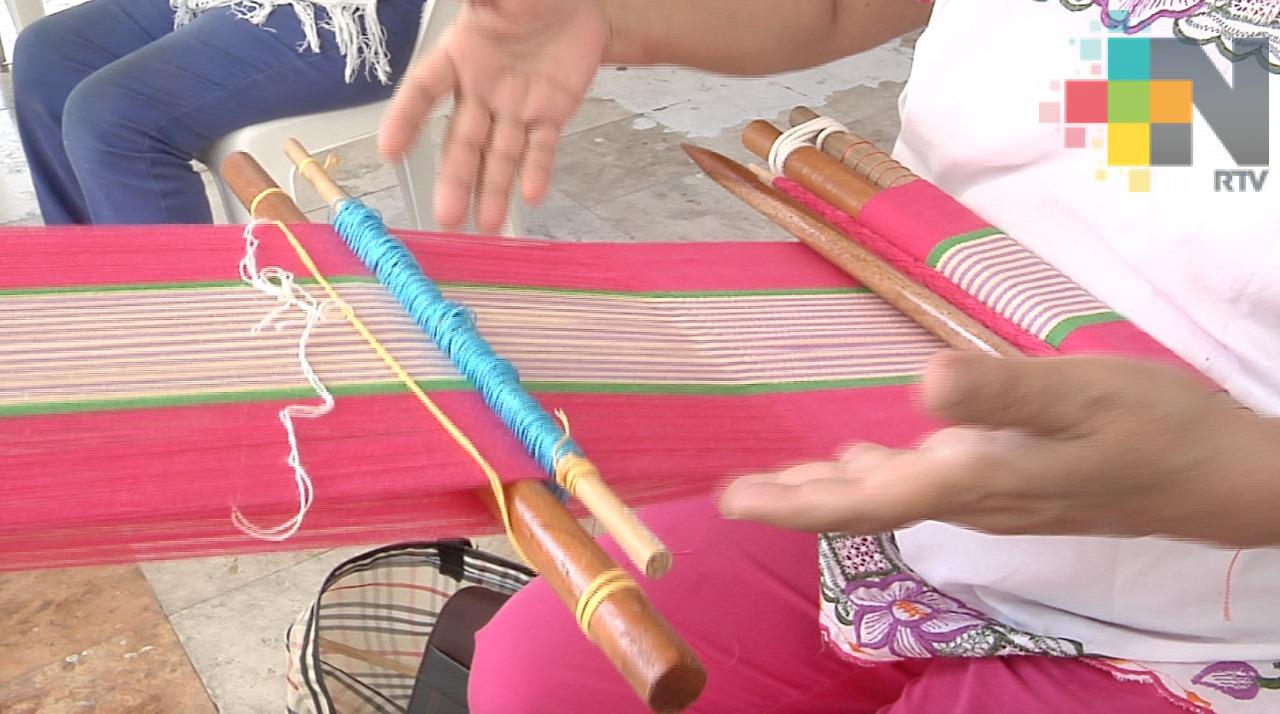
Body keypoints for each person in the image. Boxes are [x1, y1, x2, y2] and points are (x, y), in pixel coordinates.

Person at [376, 1, 1280, 711]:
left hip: (1218, 609)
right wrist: (615, 15)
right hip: (903, 453)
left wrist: (1227, 478)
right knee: (543, 676)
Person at [12, 0, 427, 224]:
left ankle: (179, 340)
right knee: (48, 56)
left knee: (111, 116)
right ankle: (94, 289)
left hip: (359, 13)